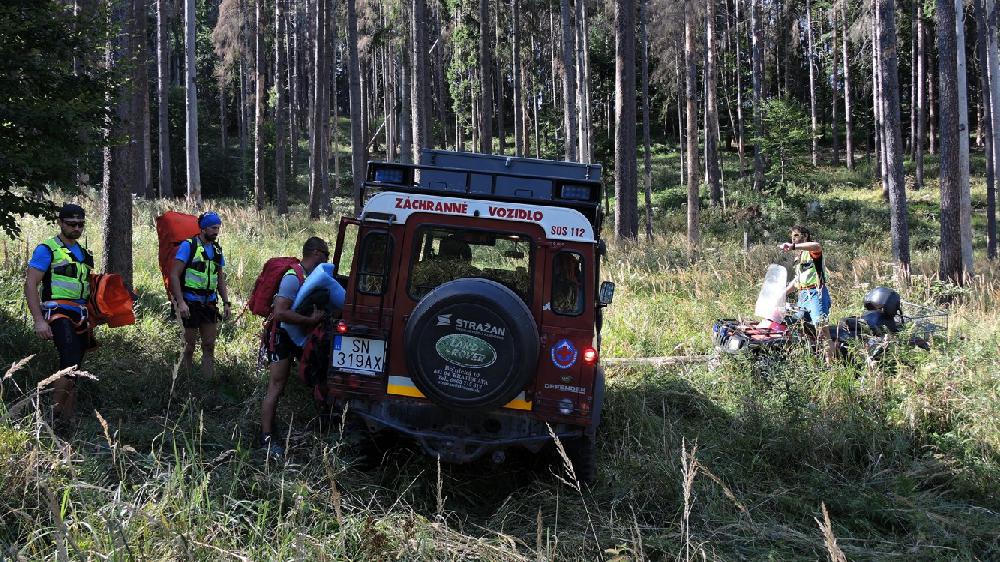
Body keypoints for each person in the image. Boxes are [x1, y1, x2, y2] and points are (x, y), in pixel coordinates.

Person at [24, 203, 95, 423]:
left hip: (81, 315)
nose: (77, 228)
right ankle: (51, 417)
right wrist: (38, 320)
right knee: (70, 361)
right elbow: (30, 284)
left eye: (80, 224)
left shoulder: (84, 254)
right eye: (71, 224)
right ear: (60, 223)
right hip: (57, 313)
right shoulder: (47, 249)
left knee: (76, 368)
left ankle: (67, 420)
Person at [259, 237, 329, 457]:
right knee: (276, 386)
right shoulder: (293, 277)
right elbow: (280, 312)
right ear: (316, 253)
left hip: (294, 337)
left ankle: (274, 430)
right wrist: (310, 320)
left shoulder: (308, 276)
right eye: (326, 255)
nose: (327, 260)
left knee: (289, 384)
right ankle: (266, 438)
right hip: (280, 337)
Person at [169, 211, 231, 377]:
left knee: (209, 345)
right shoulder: (188, 246)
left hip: (209, 303)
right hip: (190, 303)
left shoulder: (217, 250)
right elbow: (174, 275)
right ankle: (187, 380)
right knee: (189, 347)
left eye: (218, 228)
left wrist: (226, 302)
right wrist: (180, 302)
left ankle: (207, 381)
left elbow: (220, 278)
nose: (217, 231)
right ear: (203, 229)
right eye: (213, 228)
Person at [779, 224, 830, 326]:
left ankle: (827, 338)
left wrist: (793, 247)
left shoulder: (812, 251)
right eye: (792, 236)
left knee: (820, 325)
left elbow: (817, 246)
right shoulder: (800, 256)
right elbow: (798, 280)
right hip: (803, 295)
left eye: (796, 235)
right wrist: (782, 294)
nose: (793, 239)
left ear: (805, 236)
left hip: (815, 292)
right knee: (800, 326)